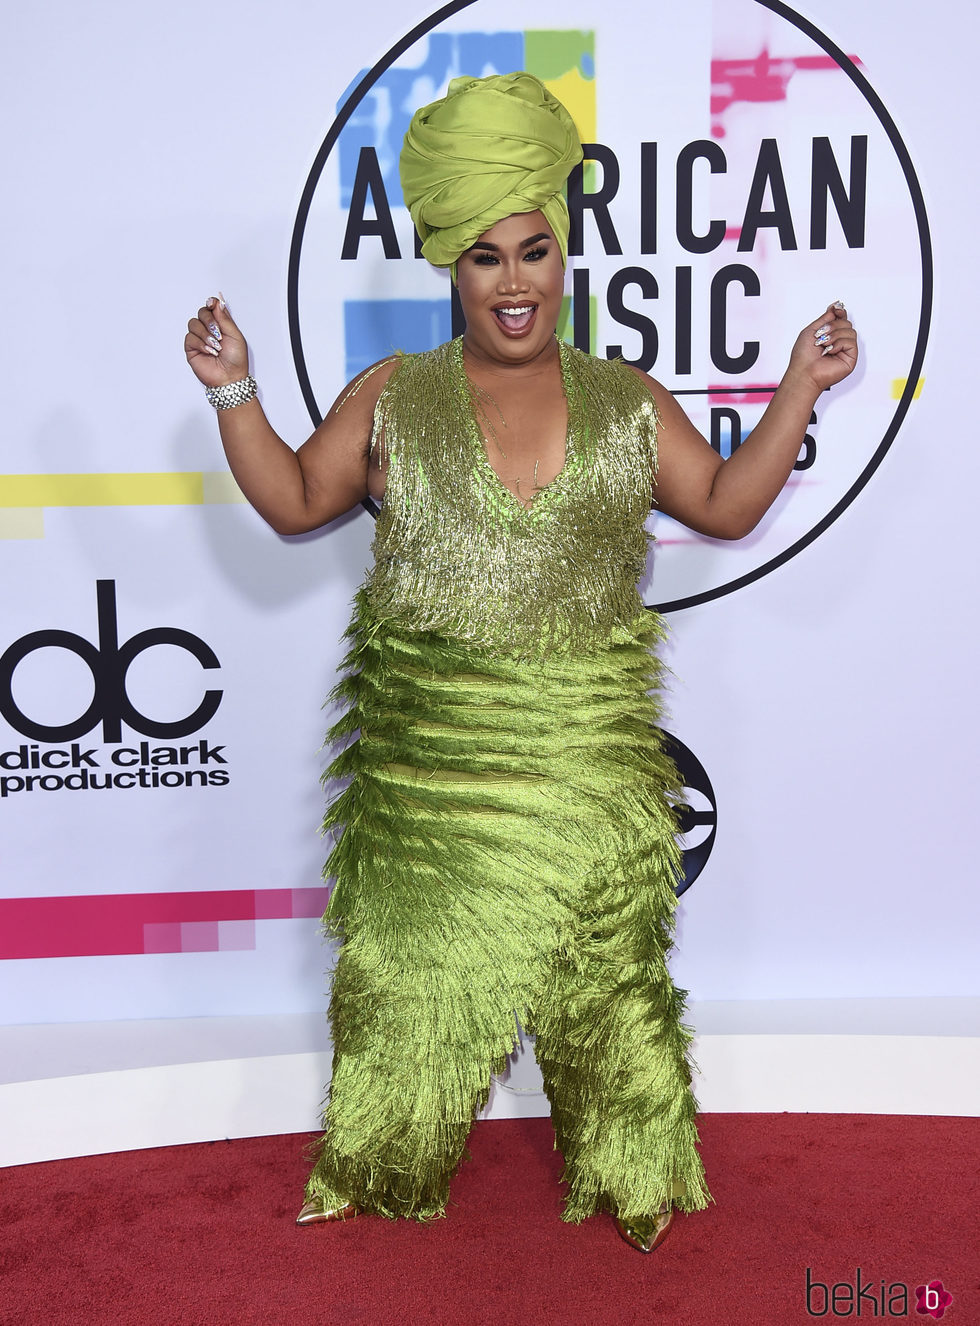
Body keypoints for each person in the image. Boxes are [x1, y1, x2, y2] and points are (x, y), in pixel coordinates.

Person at [184, 72, 857, 1254]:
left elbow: (723, 504)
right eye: (485, 257)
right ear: (451, 268)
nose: (512, 282)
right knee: (400, 1002)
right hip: (430, 788)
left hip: (591, 786)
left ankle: (632, 1177)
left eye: (533, 251)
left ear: (563, 255)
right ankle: (383, 1186)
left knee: (613, 1014)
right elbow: (295, 500)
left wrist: (798, 383)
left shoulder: (626, 400)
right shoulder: (391, 396)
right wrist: (232, 389)